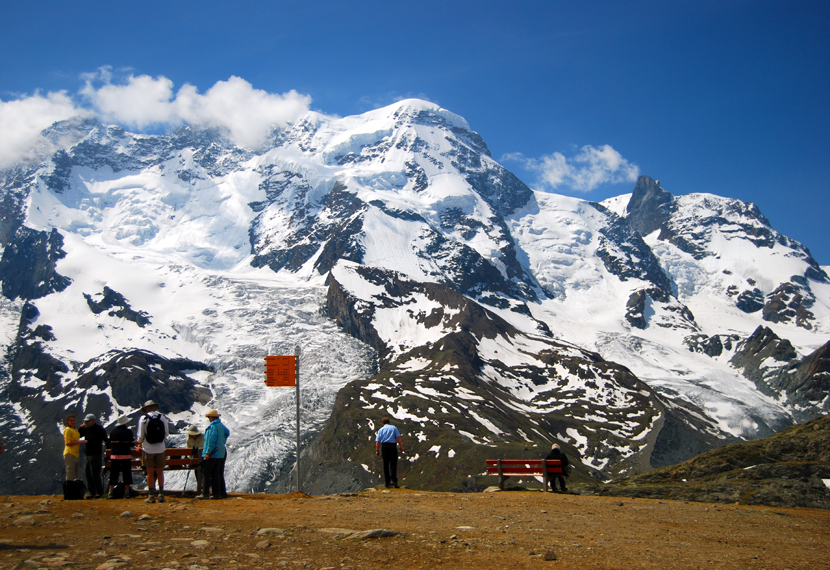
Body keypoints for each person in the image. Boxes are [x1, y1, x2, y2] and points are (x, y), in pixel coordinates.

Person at [136, 400, 170, 503]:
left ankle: (151, 495)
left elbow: (141, 436)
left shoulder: (143, 418)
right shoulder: (162, 417)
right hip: (160, 448)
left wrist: (139, 443)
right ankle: (161, 495)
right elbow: (166, 433)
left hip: (148, 449)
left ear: (146, 409)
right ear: (154, 408)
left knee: (150, 472)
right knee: (160, 472)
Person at [197, 409, 229, 500]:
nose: (208, 419)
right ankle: (217, 494)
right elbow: (227, 433)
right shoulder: (221, 425)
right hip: (220, 452)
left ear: (211, 417)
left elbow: (210, 441)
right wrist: (222, 441)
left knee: (206, 473)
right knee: (216, 473)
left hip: (212, 453)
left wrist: (207, 453)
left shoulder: (212, 427)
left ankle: (205, 493)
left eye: (208, 417)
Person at [78, 413, 108, 499]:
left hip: (96, 454)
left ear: (93, 421)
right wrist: (80, 428)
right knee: (88, 473)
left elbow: (106, 439)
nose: (87, 423)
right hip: (88, 454)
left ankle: (99, 491)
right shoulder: (86, 429)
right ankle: (92, 492)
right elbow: (78, 435)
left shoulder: (99, 429)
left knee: (95, 473)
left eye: (88, 421)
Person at [108, 416, 135, 499]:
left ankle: (110, 492)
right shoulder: (128, 432)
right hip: (125, 455)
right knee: (126, 473)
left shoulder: (113, 432)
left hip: (115, 455)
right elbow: (131, 444)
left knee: (114, 474)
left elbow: (110, 444)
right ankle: (126, 492)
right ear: (125, 423)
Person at [375, 417, 404, 489]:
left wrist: (377, 450)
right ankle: (394, 480)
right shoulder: (394, 428)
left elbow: (378, 441)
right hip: (392, 446)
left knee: (386, 464)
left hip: (384, 447)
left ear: (382, 423)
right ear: (389, 422)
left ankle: (387, 482)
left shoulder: (381, 430)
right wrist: (401, 447)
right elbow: (398, 438)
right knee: (393, 464)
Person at [63, 414, 85, 481]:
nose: (72, 422)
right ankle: (69, 489)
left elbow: (76, 437)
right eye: (71, 420)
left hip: (75, 454)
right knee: (70, 473)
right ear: (67, 421)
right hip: (70, 453)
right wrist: (80, 442)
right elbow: (68, 443)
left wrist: (81, 429)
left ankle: (73, 489)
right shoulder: (68, 430)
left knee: (75, 474)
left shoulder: (74, 430)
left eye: (73, 420)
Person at [185, 425, 204, 496]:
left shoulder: (190, 440)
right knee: (198, 469)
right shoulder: (189, 440)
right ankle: (201, 485)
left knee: (199, 469)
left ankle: (201, 485)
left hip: (202, 459)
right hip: (196, 460)